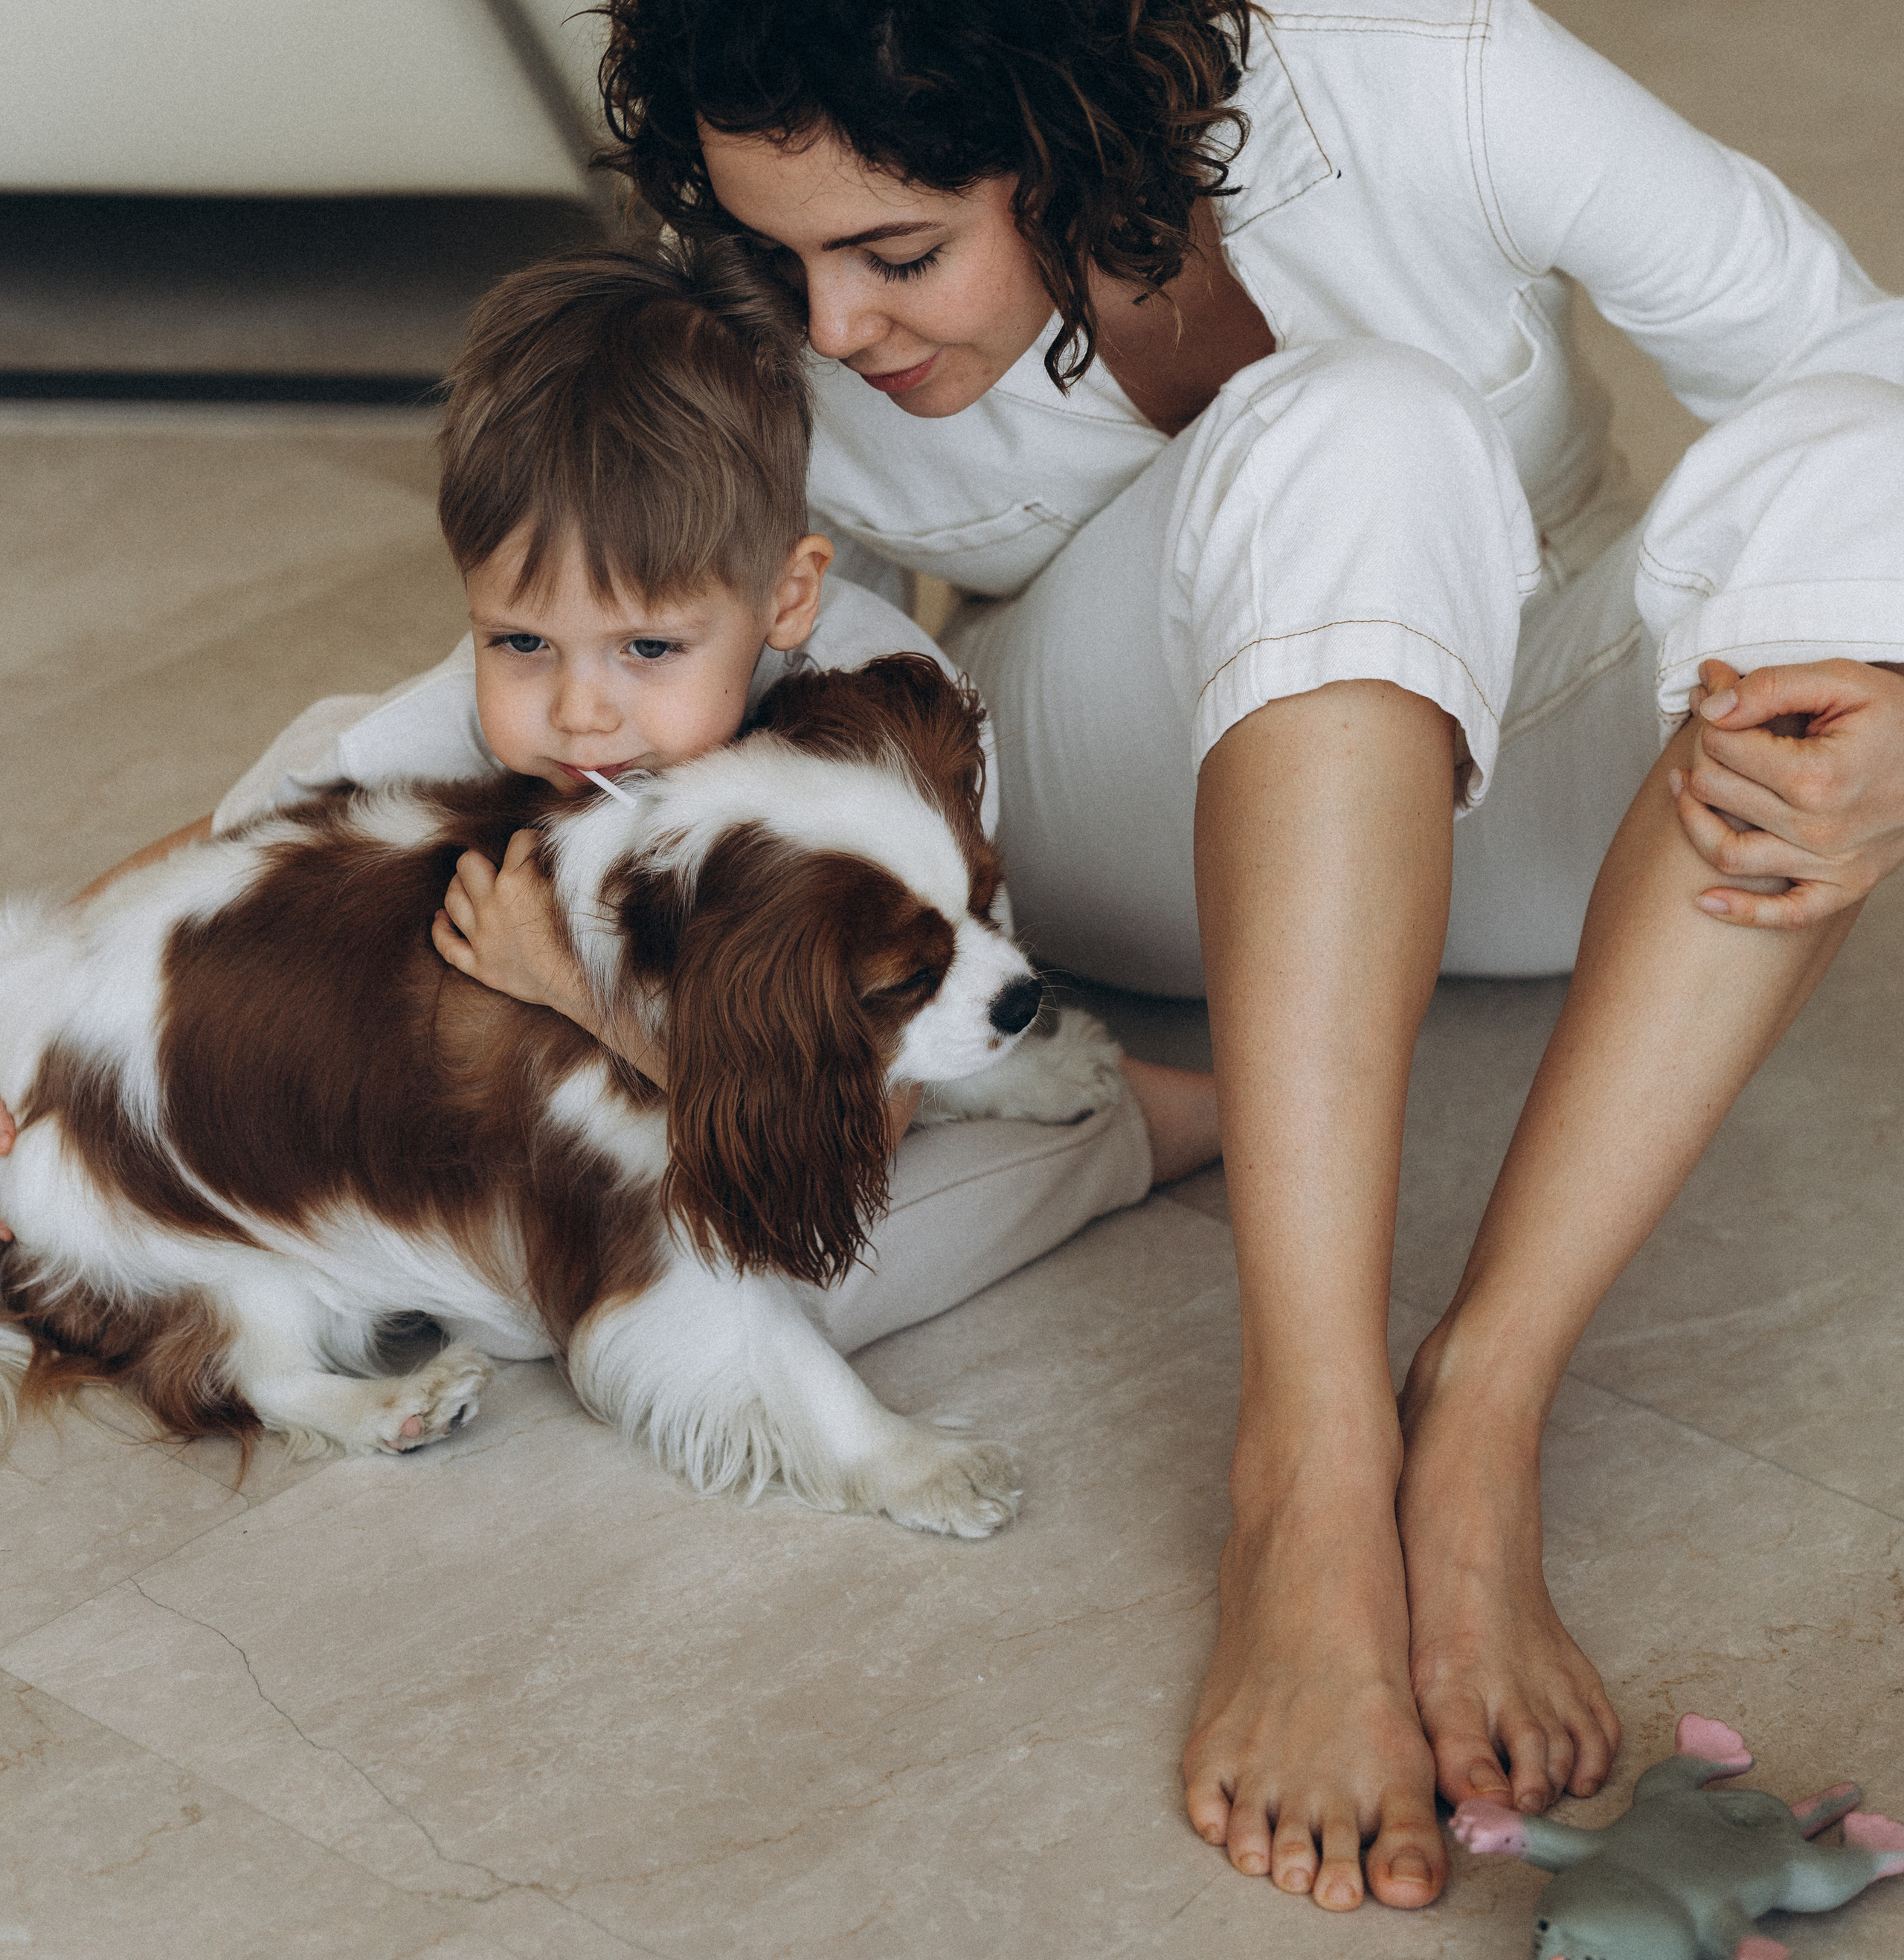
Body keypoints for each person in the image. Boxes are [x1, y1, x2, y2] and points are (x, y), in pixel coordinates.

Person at [590, 0, 1904, 1914]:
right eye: (780, 255)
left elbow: (1852, 365)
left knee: (1849, 452)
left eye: (896, 252)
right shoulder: (773, 349)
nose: (834, 326)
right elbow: (575, 652)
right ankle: (1311, 1469)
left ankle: (1477, 1409)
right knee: (1361, 419)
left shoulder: (1414, 59)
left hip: (1570, 802)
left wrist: (1895, 700)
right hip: (1132, 816)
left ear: (1064, 132)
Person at [0, 242, 1221, 1337]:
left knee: (789, 1283)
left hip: (871, 1072)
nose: (581, 711)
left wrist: (570, 996)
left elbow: (852, 1127)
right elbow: (223, 838)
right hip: (690, 1062)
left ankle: (1131, 1128)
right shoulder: (520, 710)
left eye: (647, 649)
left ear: (788, 600)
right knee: (343, 752)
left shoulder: (888, 741)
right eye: (520, 641)